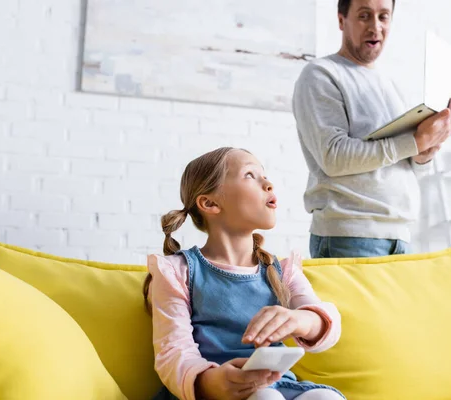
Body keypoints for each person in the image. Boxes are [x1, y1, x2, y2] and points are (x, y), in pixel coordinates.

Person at [143, 147, 344, 400]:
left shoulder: (282, 271)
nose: (268, 184)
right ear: (210, 203)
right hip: (212, 392)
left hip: (277, 387)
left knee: (325, 398)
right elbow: (173, 352)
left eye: (265, 175)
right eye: (250, 175)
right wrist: (211, 382)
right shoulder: (176, 271)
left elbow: (328, 324)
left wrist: (300, 320)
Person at [292, 0, 451, 258]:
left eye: (384, 17)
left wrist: (425, 151)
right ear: (341, 20)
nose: (376, 27)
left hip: (400, 238)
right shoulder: (321, 74)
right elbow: (334, 157)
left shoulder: (390, 85)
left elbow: (405, 166)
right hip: (350, 237)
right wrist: (415, 142)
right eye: (364, 16)